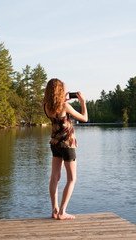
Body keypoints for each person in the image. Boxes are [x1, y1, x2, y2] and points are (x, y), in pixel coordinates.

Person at [43, 78, 88, 220]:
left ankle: (54, 210)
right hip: (67, 146)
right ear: (60, 91)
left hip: (55, 145)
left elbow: (58, 111)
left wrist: (63, 100)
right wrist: (83, 103)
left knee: (54, 178)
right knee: (71, 179)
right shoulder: (64, 107)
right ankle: (62, 212)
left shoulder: (46, 107)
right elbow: (84, 118)